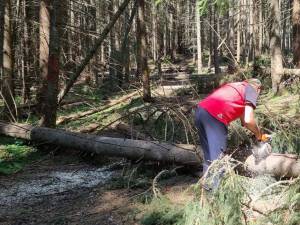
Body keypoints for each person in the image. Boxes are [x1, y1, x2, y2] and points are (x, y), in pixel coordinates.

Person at [195, 78, 270, 173]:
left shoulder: (237, 87)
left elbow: (244, 121)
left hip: (200, 112)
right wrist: (259, 136)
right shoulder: (251, 89)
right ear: (258, 89)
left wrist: (257, 134)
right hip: (215, 117)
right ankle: (217, 187)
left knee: (209, 159)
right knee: (219, 161)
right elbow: (248, 120)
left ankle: (206, 187)